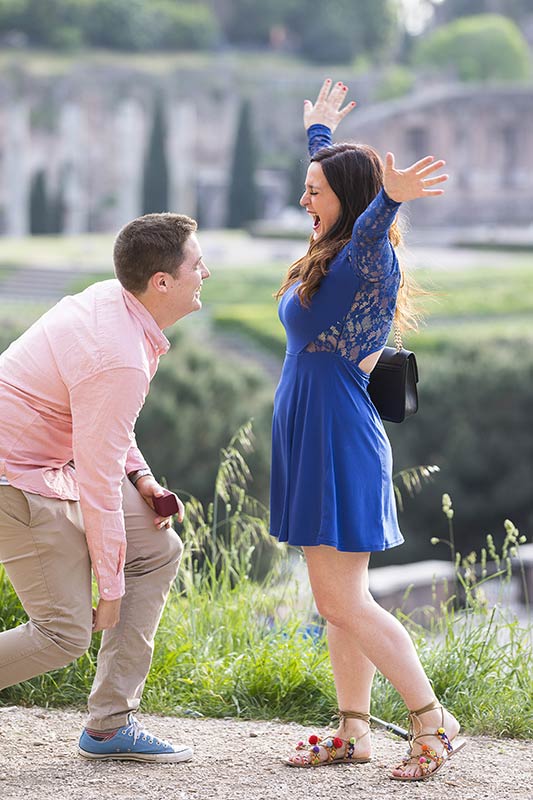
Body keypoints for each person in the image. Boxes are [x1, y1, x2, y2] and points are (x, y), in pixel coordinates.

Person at [270, 79, 465, 781]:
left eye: (313, 192)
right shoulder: (331, 251)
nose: (303, 202)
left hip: (336, 439)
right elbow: (341, 195)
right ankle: (353, 730)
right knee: (340, 603)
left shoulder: (366, 259)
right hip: (310, 433)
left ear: (347, 203)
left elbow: (372, 221)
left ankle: (430, 721)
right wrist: (318, 134)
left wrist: (388, 196)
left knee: (340, 600)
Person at [0, 212, 210, 762]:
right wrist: (110, 593)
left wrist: (141, 478)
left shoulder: (115, 302)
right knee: (64, 635)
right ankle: (108, 719)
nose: (205, 272)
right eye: (196, 263)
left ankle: (110, 725)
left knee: (157, 548)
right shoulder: (118, 355)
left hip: (55, 460)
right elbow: (96, 482)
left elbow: (104, 424)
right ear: (161, 282)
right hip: (14, 477)